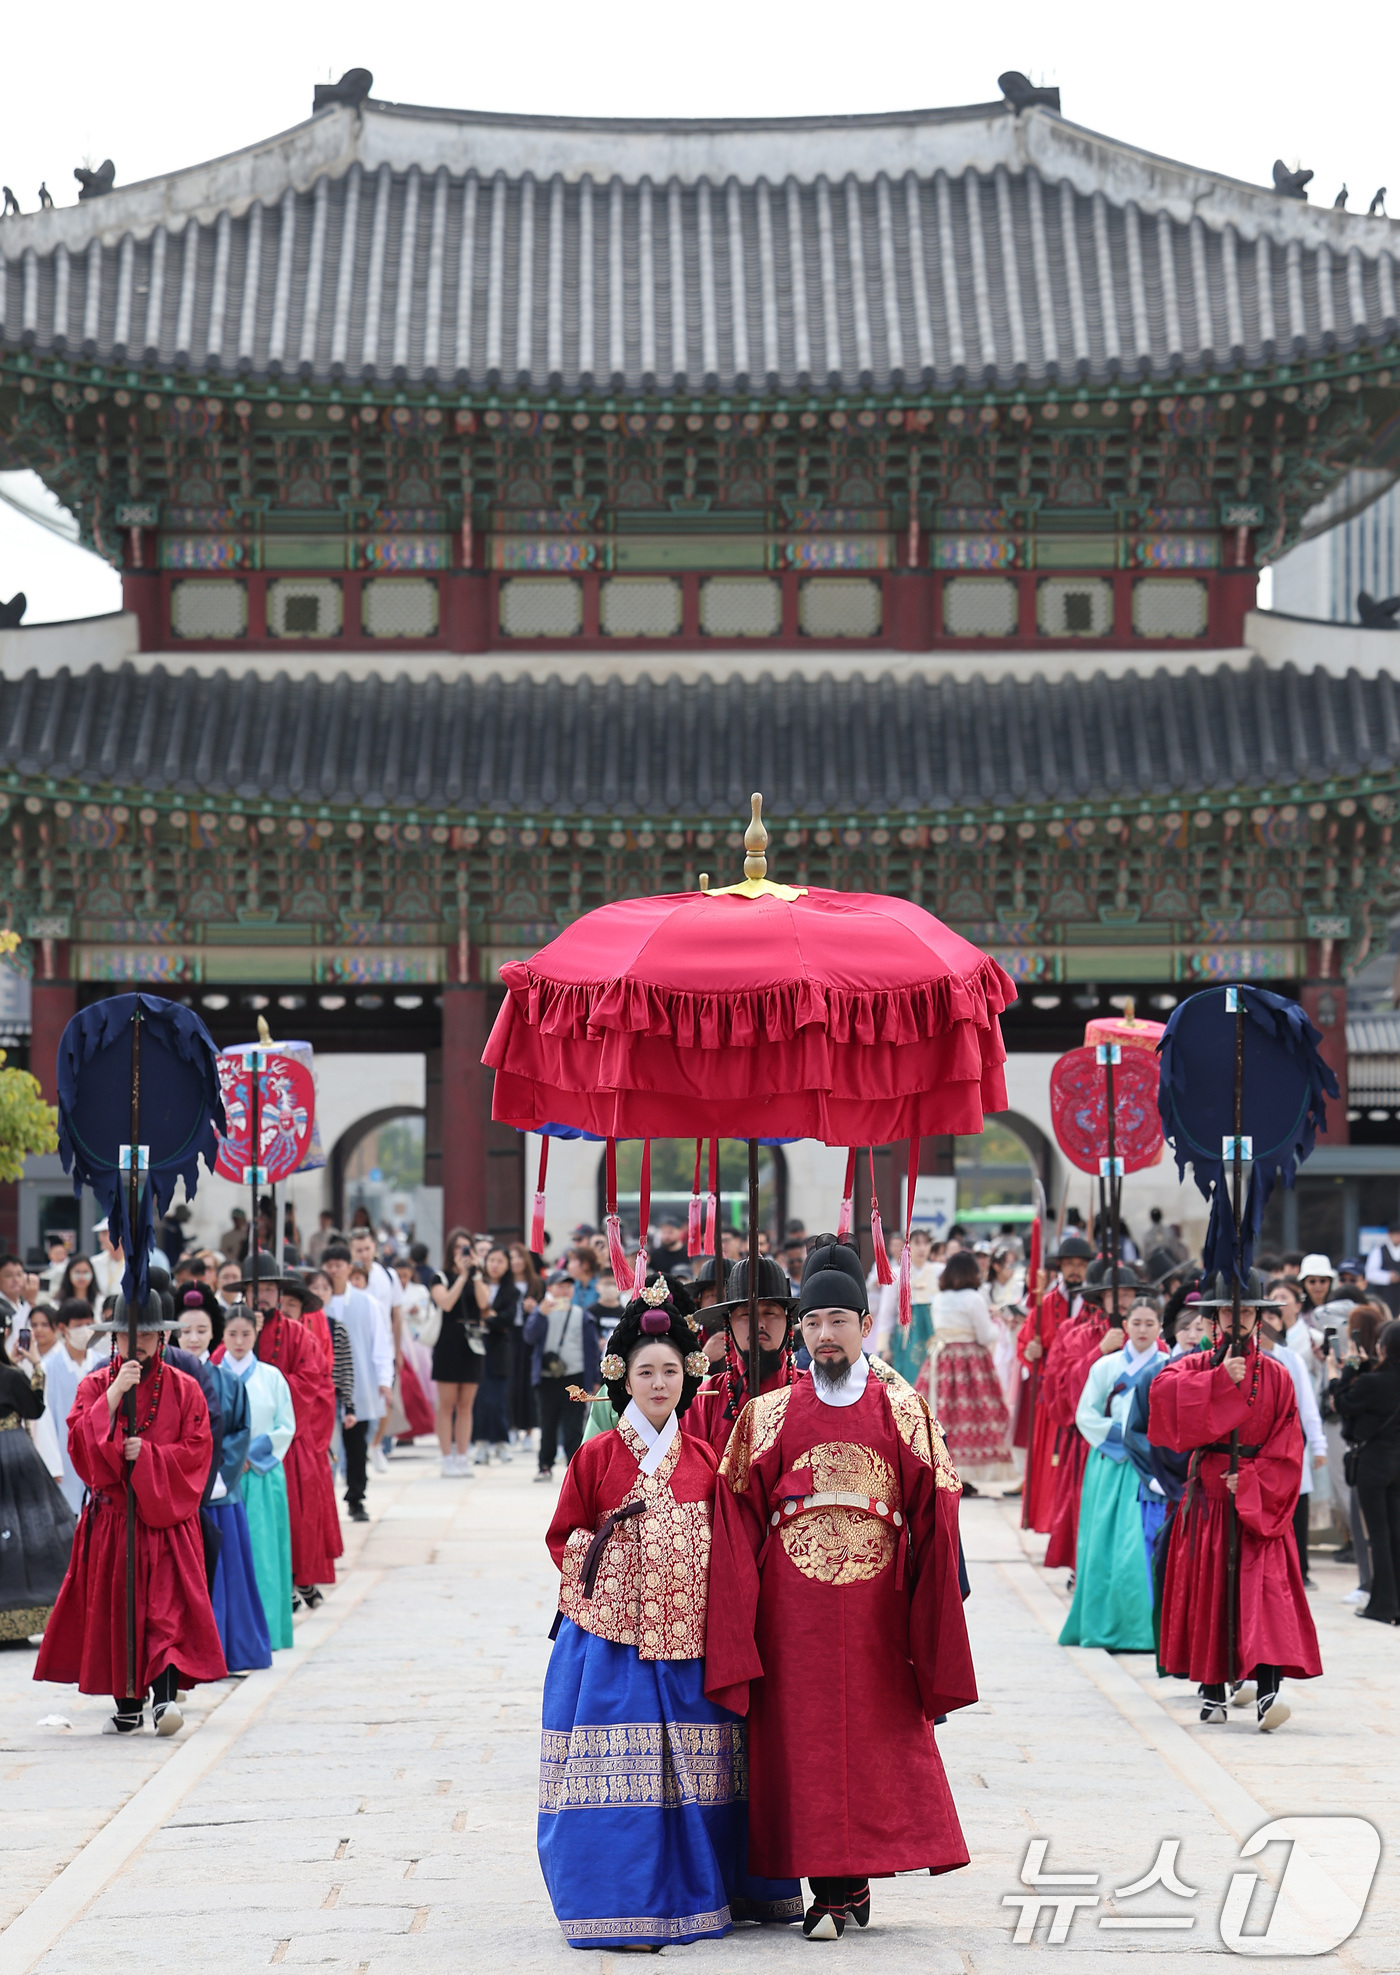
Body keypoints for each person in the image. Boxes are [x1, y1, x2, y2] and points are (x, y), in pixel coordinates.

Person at [705, 1239, 976, 1939]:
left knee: (872, 1739)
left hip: (876, 1607)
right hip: (789, 1611)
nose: (826, 1335)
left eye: (839, 1321)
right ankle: (830, 1885)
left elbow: (937, 1507)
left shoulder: (902, 1409)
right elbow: (735, 1508)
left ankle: (847, 1883)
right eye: (814, 1322)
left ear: (864, 1325)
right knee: (803, 1742)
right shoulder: (766, 1414)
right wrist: (743, 1606)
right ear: (801, 1330)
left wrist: (929, 1602)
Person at [537, 1280, 800, 1949]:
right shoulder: (596, 1455)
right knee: (617, 1777)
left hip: (690, 1642)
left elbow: (733, 1548)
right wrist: (619, 1561)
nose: (659, 1382)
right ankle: (619, 1902)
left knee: (699, 1771)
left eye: (671, 1371)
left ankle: (707, 1894)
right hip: (611, 1645)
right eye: (646, 1370)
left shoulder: (707, 1459)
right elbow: (564, 1535)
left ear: (689, 1378)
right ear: (624, 1377)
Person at [35, 1291, 226, 1734]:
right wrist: (115, 1396)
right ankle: (127, 1704)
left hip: (166, 1521)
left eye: (145, 1334)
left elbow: (198, 1450)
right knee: (120, 1610)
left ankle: (163, 1702)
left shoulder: (186, 1387)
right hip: (114, 1522)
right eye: (125, 1334)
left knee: (166, 1612)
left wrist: (152, 1456)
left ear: (162, 1337)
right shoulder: (94, 1386)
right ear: (114, 1340)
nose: (135, 1342)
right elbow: (80, 1446)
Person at [1149, 1272, 1322, 1732]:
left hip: (1257, 1502)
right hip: (1209, 1498)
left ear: (1259, 1317)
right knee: (1211, 1591)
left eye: (1246, 1311)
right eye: (1229, 1311)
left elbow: (1290, 1445)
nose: (1238, 1319)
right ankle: (1212, 1690)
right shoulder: (1192, 1365)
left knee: (1264, 1598)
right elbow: (1161, 1398)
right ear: (1215, 1318)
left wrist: (1249, 1480)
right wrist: (1216, 1381)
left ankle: (1267, 1692)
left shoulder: (1280, 1376)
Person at [1059, 1303, 1169, 1652]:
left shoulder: (1167, 1368)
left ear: (1160, 1327)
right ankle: (1101, 1624)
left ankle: (1143, 1629)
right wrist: (1124, 1438)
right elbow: (1085, 1415)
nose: (1142, 1329)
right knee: (1103, 1542)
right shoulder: (1106, 1366)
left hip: (1150, 1465)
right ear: (1125, 1325)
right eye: (1136, 1322)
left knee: (1142, 1544)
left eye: (1150, 1323)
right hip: (1111, 1460)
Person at [235, 1255, 342, 1605]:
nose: (261, 1297)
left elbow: (312, 1381)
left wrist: (268, 1393)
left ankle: (296, 1579)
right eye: (255, 1290)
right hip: (238, 1441)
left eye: (268, 1289)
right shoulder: (234, 1333)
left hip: (284, 1440)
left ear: (279, 1294)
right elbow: (219, 1373)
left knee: (294, 1518)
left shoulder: (297, 1335)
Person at [180, 1298, 271, 1672]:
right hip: (177, 1493)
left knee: (226, 1575)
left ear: (213, 1333)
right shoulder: (166, 1377)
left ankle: (228, 1650)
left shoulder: (228, 1382)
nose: (194, 1338)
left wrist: (216, 1478)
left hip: (218, 1491)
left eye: (202, 1331)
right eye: (185, 1331)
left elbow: (239, 1433)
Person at [1041, 1265, 1145, 1572]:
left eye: (1129, 1293)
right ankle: (1083, 1569)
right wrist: (1099, 1351)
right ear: (1102, 1297)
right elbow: (1061, 1389)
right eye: (1117, 1294)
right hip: (1091, 1439)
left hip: (1138, 1441)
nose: (1123, 1299)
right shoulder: (1077, 1336)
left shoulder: (1145, 1336)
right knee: (1088, 1506)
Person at [220, 1304, 295, 1649]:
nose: (239, 1341)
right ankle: (229, 1636)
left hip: (263, 1475)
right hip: (223, 1478)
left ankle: (267, 1631)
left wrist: (252, 1453)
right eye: (232, 1334)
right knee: (228, 1558)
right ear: (223, 1335)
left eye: (246, 1334)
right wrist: (234, 1457)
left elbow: (286, 1426)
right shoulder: (212, 1376)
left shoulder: (272, 1377)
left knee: (264, 1556)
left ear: (256, 1334)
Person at [0, 1330, 76, 1642]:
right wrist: (35, 1367)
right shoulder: (12, 1376)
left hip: (16, 1454)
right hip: (16, 1452)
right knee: (30, 1530)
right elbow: (34, 1410)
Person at [686, 1256, 800, 1463]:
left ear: (788, 1321)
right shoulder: (704, 1399)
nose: (759, 1324)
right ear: (728, 1324)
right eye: (747, 1315)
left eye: (770, 1313)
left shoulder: (810, 1392)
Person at [1015, 1235, 1092, 1534]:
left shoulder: (1095, 1305)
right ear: (1060, 1267)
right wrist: (1029, 1352)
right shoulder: (1045, 1304)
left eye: (1081, 1265)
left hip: (1086, 1392)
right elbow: (1025, 1342)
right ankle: (1050, 1521)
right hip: (1053, 1395)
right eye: (1070, 1264)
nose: (1075, 1270)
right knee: (1050, 1460)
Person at [922, 1249, 1016, 1485]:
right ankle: (969, 1474)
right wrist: (998, 1324)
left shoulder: (939, 1298)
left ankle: (943, 1469)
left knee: (941, 1413)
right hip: (969, 1359)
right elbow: (985, 1335)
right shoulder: (974, 1298)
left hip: (942, 1357)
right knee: (972, 1414)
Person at [1333, 1317, 1400, 1623]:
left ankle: (1383, 1605)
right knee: (1396, 1533)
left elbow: (1341, 1402)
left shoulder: (1373, 1383)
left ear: (1383, 1347)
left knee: (1379, 1536)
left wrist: (1347, 1367)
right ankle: (1394, 1602)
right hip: (1397, 1464)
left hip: (1373, 1466)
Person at [1258, 1292, 1327, 1588]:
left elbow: (1308, 1407)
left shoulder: (1292, 1359)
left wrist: (1319, 1444)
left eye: (1273, 1317)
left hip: (1290, 1443)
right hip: (1259, 1447)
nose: (1268, 1324)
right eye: (1263, 1319)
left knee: (1297, 1504)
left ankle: (1301, 1570)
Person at [322, 1243, 391, 1517]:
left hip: (358, 1382)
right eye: (329, 1266)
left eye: (339, 1265)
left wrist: (385, 1379)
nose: (334, 1271)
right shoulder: (315, 1304)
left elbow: (381, 1343)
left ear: (349, 1268)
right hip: (324, 1385)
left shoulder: (367, 1303)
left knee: (356, 1443)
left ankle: (356, 1496)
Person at [526, 1274, 600, 1482]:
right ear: (550, 1288)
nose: (565, 1291)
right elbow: (529, 1337)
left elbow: (592, 1349)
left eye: (569, 1286)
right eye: (560, 1286)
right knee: (547, 1424)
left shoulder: (581, 1315)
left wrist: (593, 1378)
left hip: (574, 1376)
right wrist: (539, 1314)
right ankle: (545, 1465)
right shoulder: (542, 1312)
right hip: (547, 1377)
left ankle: (574, 1467)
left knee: (574, 1425)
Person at [35, 1298, 102, 1514]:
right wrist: (52, 1464)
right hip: (64, 1457)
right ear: (63, 1328)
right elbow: (42, 1421)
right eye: (78, 1326)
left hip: (99, 1453)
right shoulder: (48, 1368)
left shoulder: (102, 1364)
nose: (85, 1331)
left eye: (88, 1324)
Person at [430, 1230, 484, 1476]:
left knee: (466, 1405)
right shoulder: (439, 1277)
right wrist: (461, 1276)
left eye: (467, 1248)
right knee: (447, 1404)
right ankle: (445, 1457)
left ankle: (462, 1456)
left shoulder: (476, 1276)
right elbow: (446, 1303)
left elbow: (484, 1304)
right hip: (448, 1342)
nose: (463, 1253)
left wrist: (476, 1274)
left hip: (472, 1343)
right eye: (458, 1248)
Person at [351, 1229, 404, 1473]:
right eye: (358, 1250)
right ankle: (357, 1448)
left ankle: (376, 1444)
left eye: (367, 1248)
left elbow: (396, 1313)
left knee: (386, 1399)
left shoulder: (388, 1276)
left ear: (375, 1247)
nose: (363, 1254)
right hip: (354, 1346)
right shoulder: (348, 1276)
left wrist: (399, 1348)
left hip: (384, 1346)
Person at [472, 1245, 520, 1464]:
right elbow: (474, 1315)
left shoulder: (512, 1291)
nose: (495, 1265)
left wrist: (488, 1318)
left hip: (500, 1349)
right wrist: (491, 1317)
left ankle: (501, 1442)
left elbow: (507, 1319)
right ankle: (480, 1443)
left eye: (500, 1261)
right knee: (480, 1399)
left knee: (498, 1399)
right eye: (491, 1260)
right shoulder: (476, 1284)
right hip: (476, 1348)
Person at [884, 1226, 936, 1387]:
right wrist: (884, 1346)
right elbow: (887, 1312)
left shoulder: (940, 1272)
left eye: (926, 1243)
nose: (922, 1248)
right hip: (906, 1337)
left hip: (932, 1336)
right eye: (917, 1243)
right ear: (908, 1246)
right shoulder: (898, 1273)